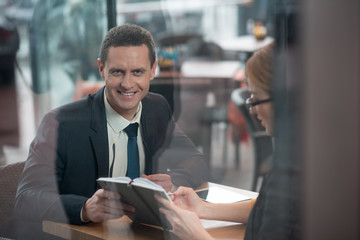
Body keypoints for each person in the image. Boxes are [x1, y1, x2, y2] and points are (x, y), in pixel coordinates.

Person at [14, 24, 208, 239]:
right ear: (101, 69)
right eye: (117, 72)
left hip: (142, 233)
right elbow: (25, 199)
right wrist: (85, 208)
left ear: (153, 70)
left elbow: (196, 161)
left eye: (137, 72)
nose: (127, 84)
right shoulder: (60, 123)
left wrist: (172, 180)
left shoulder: (156, 107)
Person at [157, 42, 298, 240]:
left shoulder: (296, 172)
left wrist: (195, 235)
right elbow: (266, 208)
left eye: (255, 99)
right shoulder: (297, 151)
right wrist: (203, 208)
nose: (253, 109)